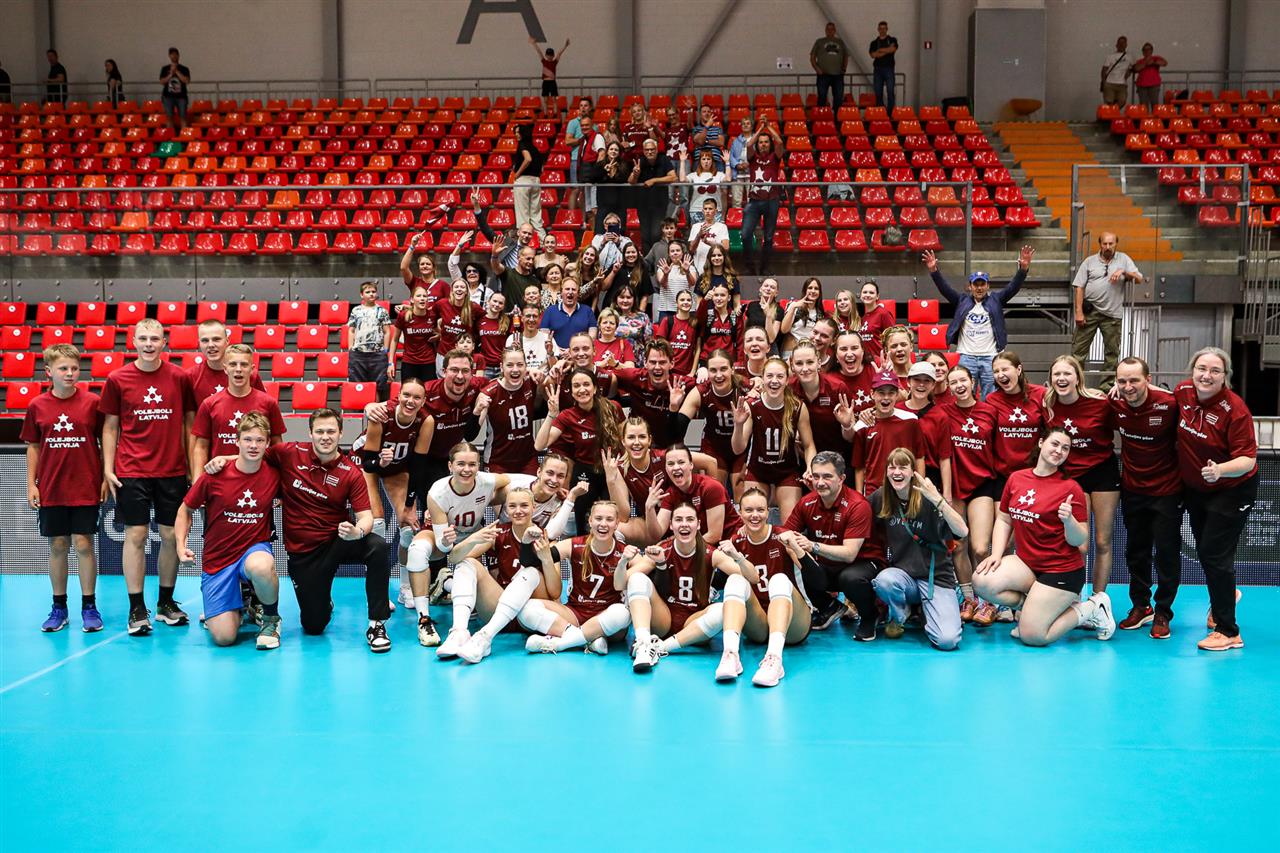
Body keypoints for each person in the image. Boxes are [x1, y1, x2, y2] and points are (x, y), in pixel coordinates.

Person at [224, 408, 391, 652]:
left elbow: (366, 516)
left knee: (378, 546)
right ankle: (323, 603)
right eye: (320, 431)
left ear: (340, 433)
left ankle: (377, 625)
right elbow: (251, 455)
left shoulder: (350, 473)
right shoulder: (289, 453)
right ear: (310, 433)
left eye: (331, 431)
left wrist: (358, 532)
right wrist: (223, 460)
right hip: (304, 553)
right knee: (314, 625)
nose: (326, 437)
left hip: (337, 540)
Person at [974, 426, 1116, 646]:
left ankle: (1091, 608)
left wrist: (1069, 521)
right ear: (1041, 443)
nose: (1059, 451)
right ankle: (1032, 608)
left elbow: (1080, 541)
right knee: (982, 580)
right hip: (1027, 564)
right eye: (1055, 444)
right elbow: (1004, 519)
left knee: (1032, 636)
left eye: (1065, 448)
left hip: (1061, 570)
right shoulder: (1016, 479)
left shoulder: (1071, 488)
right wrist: (997, 554)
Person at [100, 319, 195, 636]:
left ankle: (166, 603)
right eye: (143, 338)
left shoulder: (180, 377)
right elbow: (110, 426)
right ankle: (136, 608)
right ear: (133, 341)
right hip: (132, 470)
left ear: (164, 342)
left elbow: (189, 423)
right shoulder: (117, 379)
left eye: (155, 338)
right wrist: (108, 468)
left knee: (171, 536)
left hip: (172, 470)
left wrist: (191, 465)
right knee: (136, 536)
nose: (149, 344)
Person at [438, 482, 582, 663]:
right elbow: (454, 559)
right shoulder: (499, 533)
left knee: (530, 572)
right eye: (512, 506)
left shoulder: (546, 538)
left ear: (534, 507)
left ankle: (484, 636)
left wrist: (546, 558)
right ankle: (459, 632)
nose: (518, 511)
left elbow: (554, 593)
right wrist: (472, 539)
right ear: (506, 509)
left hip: (531, 614)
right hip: (500, 610)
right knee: (468, 563)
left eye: (524, 505)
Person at [174, 413, 282, 650]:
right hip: (218, 559)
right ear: (237, 441)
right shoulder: (213, 475)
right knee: (224, 638)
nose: (253, 446)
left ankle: (271, 619)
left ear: (267, 444)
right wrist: (180, 546)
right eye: (248, 440)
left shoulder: (275, 474)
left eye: (259, 440)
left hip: (253, 550)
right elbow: (185, 510)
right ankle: (239, 602)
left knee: (262, 566)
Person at [1174, 348, 1257, 652]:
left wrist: (1220, 470)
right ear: (1192, 371)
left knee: (1214, 553)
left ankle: (1228, 631)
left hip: (1232, 489)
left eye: (1215, 371)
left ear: (1225, 377)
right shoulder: (1183, 392)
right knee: (1207, 551)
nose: (1206, 376)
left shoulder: (1235, 410)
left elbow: (1248, 460)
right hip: (1197, 489)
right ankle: (1226, 595)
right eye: (1201, 368)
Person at [24, 344, 104, 633]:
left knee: (84, 544)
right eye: (63, 369)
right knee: (58, 545)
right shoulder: (37, 406)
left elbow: (106, 441)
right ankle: (59, 607)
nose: (70, 373)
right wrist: (31, 484)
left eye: (74, 368)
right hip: (52, 488)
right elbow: (33, 447)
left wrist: (105, 478)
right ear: (48, 372)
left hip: (85, 486)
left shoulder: (93, 403)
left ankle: (89, 606)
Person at [1110, 357, 1182, 638]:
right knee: (1136, 551)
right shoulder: (1115, 403)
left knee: (1166, 552)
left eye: (1134, 380)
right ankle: (1141, 606)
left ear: (1148, 380)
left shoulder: (1170, 404)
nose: (1128, 386)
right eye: (1122, 381)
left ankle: (1163, 611)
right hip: (1132, 489)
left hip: (1167, 491)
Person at [869, 449, 968, 649]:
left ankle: (926, 612)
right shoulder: (881, 497)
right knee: (884, 581)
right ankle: (902, 613)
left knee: (947, 641)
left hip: (935, 578)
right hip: (903, 578)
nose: (897, 472)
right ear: (886, 472)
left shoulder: (927, 497)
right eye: (892, 467)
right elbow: (856, 510)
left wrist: (938, 500)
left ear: (913, 471)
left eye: (903, 467)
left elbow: (962, 531)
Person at [781, 451, 883, 637]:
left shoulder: (857, 505)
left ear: (841, 478)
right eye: (816, 476)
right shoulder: (807, 503)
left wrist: (812, 546)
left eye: (827, 476)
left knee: (850, 578)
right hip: (828, 564)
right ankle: (829, 607)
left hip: (863, 563)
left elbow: (850, 554)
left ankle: (870, 616)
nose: (820, 482)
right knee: (798, 561)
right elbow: (784, 533)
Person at [353, 379, 434, 611]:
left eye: (417, 397)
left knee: (408, 529)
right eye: (406, 395)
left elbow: (418, 465)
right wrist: (380, 461)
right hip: (367, 464)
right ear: (398, 396)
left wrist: (409, 505)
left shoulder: (426, 421)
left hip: (397, 468)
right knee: (377, 524)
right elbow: (369, 463)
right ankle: (377, 590)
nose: (411, 401)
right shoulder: (382, 415)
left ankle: (406, 588)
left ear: (423, 401)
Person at [521, 501, 638, 655]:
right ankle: (588, 640)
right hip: (575, 614)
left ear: (617, 524)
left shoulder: (625, 552)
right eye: (598, 518)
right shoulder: (573, 545)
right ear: (590, 521)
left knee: (623, 613)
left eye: (609, 519)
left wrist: (648, 560)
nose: (603, 524)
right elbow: (530, 561)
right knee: (526, 608)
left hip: (607, 617)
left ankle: (558, 643)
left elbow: (646, 573)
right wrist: (526, 542)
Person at [1043, 355, 1118, 595]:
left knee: (1103, 541)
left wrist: (1121, 387)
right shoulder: (1047, 406)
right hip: (1072, 477)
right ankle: (1073, 598)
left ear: (1078, 378)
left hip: (1103, 473)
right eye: (1057, 374)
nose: (1061, 378)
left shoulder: (1100, 403)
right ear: (1051, 378)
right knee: (1080, 545)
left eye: (1067, 373)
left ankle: (1099, 600)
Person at [923, 246, 1034, 398]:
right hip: (966, 355)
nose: (979, 288)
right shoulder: (961, 300)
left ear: (988, 286)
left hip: (990, 356)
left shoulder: (996, 300)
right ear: (970, 286)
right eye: (976, 284)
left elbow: (1013, 288)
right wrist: (934, 271)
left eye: (983, 284)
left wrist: (1023, 269)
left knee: (990, 394)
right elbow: (944, 289)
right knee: (964, 391)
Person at [939, 364, 1000, 624]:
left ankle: (988, 601)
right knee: (959, 546)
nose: (959, 385)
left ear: (972, 382)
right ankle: (969, 599)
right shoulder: (944, 412)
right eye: (953, 382)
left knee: (980, 547)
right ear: (948, 387)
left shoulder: (990, 411)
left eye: (962, 380)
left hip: (982, 484)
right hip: (955, 487)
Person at [535, 367, 625, 531]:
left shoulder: (613, 407)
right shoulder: (567, 415)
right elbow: (540, 445)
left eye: (586, 384)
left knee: (613, 520)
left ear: (595, 388)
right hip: (585, 473)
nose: (582, 389)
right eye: (576, 386)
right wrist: (551, 414)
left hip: (612, 471)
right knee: (583, 523)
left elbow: (624, 440)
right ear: (571, 391)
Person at [731, 357, 815, 526]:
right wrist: (738, 425)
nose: (774, 381)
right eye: (769, 376)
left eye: (779, 376)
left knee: (791, 528)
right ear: (762, 378)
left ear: (787, 380)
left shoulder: (797, 407)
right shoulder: (752, 405)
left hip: (787, 471)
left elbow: (808, 445)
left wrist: (810, 468)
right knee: (751, 523)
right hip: (758, 470)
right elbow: (738, 449)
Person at [190, 344, 285, 475]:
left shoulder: (268, 403)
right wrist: (197, 481)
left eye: (244, 365)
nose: (238, 369)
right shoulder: (209, 404)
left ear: (252, 369)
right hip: (220, 478)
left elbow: (277, 446)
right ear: (225, 369)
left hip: (259, 477)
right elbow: (201, 447)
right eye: (233, 364)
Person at [1072, 232, 1142, 389]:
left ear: (1116, 244)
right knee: (1078, 351)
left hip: (1112, 314)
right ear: (1100, 244)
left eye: (1111, 243)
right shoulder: (1089, 261)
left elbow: (1138, 278)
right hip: (1090, 311)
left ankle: (1106, 387)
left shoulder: (1124, 259)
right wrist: (1078, 312)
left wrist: (1123, 271)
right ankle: (1075, 385)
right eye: (1105, 243)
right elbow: (1079, 287)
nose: (1108, 247)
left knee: (1112, 353)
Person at [644, 444, 741, 545]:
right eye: (671, 464)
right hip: (701, 544)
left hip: (733, 542)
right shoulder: (670, 493)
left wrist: (676, 546)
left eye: (681, 462)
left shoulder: (711, 487)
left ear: (691, 465)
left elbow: (714, 535)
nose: (676, 467)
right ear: (666, 468)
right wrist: (649, 508)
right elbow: (657, 534)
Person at [847, 368, 924, 495]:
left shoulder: (910, 420)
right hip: (874, 491)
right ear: (872, 394)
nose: (886, 397)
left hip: (906, 488)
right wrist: (860, 495)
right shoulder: (862, 426)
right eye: (881, 393)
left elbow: (919, 456)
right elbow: (859, 466)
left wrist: (920, 488)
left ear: (897, 395)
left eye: (891, 393)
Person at [475, 347, 544, 476]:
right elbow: (472, 433)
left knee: (534, 488)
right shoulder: (490, 393)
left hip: (528, 459)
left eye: (520, 365)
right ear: (501, 367)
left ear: (526, 366)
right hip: (498, 460)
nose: (515, 370)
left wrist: (539, 373)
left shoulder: (532, 382)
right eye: (510, 365)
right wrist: (477, 410)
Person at [187, 319, 265, 405]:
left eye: (216, 339)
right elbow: (190, 412)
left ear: (227, 341)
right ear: (199, 343)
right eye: (205, 340)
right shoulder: (191, 377)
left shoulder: (249, 374)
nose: (211, 345)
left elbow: (263, 406)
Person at [347, 281, 392, 402]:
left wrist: (385, 349)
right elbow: (351, 330)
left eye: (373, 291)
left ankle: (375, 410)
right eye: (368, 292)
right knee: (359, 386)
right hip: (358, 354)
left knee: (377, 386)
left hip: (377, 354)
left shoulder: (382, 311)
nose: (371, 294)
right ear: (361, 295)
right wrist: (350, 347)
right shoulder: (356, 310)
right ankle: (361, 410)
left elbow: (387, 332)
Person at [630, 140, 677, 249]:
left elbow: (673, 177)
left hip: (659, 204)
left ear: (656, 150)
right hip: (643, 204)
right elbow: (631, 181)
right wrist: (635, 174)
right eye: (647, 150)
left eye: (652, 149)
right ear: (643, 151)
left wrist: (654, 180)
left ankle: (657, 257)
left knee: (656, 234)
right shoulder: (640, 161)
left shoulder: (664, 159)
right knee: (645, 235)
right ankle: (647, 259)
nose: (650, 152)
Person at [390, 284, 436, 384]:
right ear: (412, 299)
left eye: (424, 296)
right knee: (409, 390)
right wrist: (390, 363)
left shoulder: (433, 316)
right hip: (409, 361)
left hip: (428, 361)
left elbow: (441, 331)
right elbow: (394, 340)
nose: (422, 298)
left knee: (428, 391)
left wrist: (439, 335)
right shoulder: (403, 316)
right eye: (418, 296)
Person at [511, 122, 548, 243]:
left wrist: (517, 174)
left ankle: (523, 244)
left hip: (523, 181)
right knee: (536, 216)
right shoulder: (535, 148)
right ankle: (543, 241)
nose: (516, 135)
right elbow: (541, 167)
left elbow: (528, 159)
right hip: (536, 181)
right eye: (515, 132)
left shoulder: (522, 145)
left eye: (518, 132)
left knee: (523, 215)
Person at [540, 278, 597, 351]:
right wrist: (558, 351)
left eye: (573, 289)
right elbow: (544, 337)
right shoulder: (550, 311)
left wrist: (573, 351)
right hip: (556, 354)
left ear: (578, 293)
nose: (570, 292)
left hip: (580, 354)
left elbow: (592, 337)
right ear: (561, 292)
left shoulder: (587, 311)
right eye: (567, 289)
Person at [695, 284, 740, 368]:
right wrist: (705, 300)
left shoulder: (735, 317)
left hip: (727, 361)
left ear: (729, 298)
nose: (719, 298)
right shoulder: (707, 314)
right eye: (716, 295)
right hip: (707, 359)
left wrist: (739, 363)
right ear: (712, 297)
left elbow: (740, 343)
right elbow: (698, 318)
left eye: (722, 295)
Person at [491, 240, 541, 312]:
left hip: (528, 316)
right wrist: (494, 256)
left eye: (533, 259)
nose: (531, 262)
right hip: (507, 316)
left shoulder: (535, 281)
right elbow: (496, 266)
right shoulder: (508, 273)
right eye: (528, 259)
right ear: (518, 258)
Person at [781, 277, 826, 358]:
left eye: (816, 288)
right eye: (810, 288)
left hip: (810, 352)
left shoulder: (820, 312)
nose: (813, 291)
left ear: (819, 292)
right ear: (805, 290)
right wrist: (793, 307)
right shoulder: (794, 305)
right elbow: (784, 330)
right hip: (791, 351)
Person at [563, 96, 594, 214]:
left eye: (586, 106)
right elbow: (567, 141)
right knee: (576, 189)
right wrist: (581, 140)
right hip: (576, 160)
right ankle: (571, 217)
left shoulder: (594, 125)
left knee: (586, 191)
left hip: (589, 161)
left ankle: (584, 218)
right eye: (581, 106)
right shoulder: (573, 123)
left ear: (590, 108)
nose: (583, 108)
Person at [683, 149, 728, 228]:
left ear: (712, 161)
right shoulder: (693, 175)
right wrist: (682, 161)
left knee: (713, 234)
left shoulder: (719, 174)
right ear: (700, 161)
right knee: (697, 234)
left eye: (708, 159)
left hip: (715, 211)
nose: (706, 161)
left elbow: (728, 179)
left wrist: (727, 162)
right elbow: (682, 179)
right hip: (696, 210)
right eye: (703, 159)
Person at [594, 144, 632, 232]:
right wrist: (604, 171)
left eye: (616, 150)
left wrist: (614, 174)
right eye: (611, 149)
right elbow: (592, 178)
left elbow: (626, 179)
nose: (613, 151)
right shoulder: (600, 165)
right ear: (607, 151)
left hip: (619, 206)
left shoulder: (624, 165)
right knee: (600, 232)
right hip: (603, 205)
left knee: (618, 234)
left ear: (619, 153)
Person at [654, 243, 695, 324]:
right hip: (667, 309)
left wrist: (687, 271)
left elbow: (692, 283)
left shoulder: (691, 267)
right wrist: (666, 274)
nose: (675, 253)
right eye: (672, 251)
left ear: (682, 253)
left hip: (687, 308)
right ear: (669, 254)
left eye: (678, 250)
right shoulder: (663, 268)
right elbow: (663, 284)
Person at [810, 22, 849, 109]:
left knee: (838, 98)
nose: (830, 31)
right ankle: (821, 116)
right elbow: (812, 57)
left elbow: (846, 56)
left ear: (835, 31)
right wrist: (817, 69)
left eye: (832, 29)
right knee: (822, 97)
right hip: (823, 75)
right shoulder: (819, 41)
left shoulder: (840, 42)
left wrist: (844, 69)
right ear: (825, 30)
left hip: (838, 75)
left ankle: (837, 117)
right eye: (828, 29)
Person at [857, 280, 895, 365]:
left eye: (871, 293)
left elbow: (893, 339)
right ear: (861, 295)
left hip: (881, 362)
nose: (867, 295)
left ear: (877, 296)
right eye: (865, 292)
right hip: (865, 363)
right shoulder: (862, 317)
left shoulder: (883, 314)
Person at [507, 304, 554, 373]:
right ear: (522, 318)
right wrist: (515, 353)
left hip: (543, 378)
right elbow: (508, 368)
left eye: (535, 316)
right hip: (522, 377)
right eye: (528, 316)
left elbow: (555, 368)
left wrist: (550, 353)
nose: (531, 319)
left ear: (539, 319)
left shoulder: (547, 338)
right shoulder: (513, 339)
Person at [474, 291, 511, 378]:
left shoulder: (508, 321)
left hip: (502, 366)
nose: (497, 304)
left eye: (500, 303)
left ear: (503, 306)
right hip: (485, 366)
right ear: (488, 301)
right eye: (495, 301)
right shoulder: (479, 321)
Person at [531, 36, 569, 116]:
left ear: (553, 55)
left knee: (554, 99)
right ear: (546, 55)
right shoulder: (544, 61)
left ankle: (555, 113)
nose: (549, 56)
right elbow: (539, 52)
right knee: (545, 100)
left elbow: (559, 54)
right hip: (545, 82)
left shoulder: (554, 62)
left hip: (552, 82)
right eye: (548, 55)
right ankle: (545, 114)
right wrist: (534, 44)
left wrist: (565, 46)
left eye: (551, 55)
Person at [743, 278, 783, 352]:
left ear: (776, 293)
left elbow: (771, 339)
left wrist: (768, 315)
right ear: (760, 289)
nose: (768, 289)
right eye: (766, 286)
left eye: (772, 287)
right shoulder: (752, 305)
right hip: (752, 346)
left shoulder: (779, 309)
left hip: (769, 349)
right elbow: (745, 329)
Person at [612, 284, 652, 352]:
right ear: (616, 299)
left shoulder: (643, 317)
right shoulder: (609, 316)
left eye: (628, 297)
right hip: (614, 356)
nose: (625, 300)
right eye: (622, 297)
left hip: (637, 357)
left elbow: (649, 343)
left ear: (634, 299)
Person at [869, 21, 898, 110]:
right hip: (878, 69)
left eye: (884, 28)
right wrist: (887, 50)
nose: (882, 30)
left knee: (890, 91)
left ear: (887, 29)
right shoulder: (874, 43)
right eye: (880, 28)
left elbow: (893, 49)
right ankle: (881, 111)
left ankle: (890, 112)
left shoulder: (892, 39)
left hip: (889, 69)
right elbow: (873, 55)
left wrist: (880, 50)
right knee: (878, 92)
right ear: (878, 29)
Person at [158, 47, 190, 128]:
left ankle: (184, 134)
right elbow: (162, 81)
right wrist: (171, 74)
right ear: (169, 56)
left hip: (181, 97)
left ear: (178, 56)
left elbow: (186, 81)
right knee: (169, 117)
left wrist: (176, 71)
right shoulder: (165, 69)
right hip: (168, 97)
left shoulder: (184, 69)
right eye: (172, 54)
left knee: (183, 117)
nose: (174, 56)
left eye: (176, 54)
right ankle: (170, 133)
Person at [1129, 43, 1167, 110]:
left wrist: (1154, 62)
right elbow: (1136, 68)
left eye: (1148, 49)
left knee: (1155, 104)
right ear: (1143, 52)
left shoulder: (1156, 58)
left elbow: (1164, 63)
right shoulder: (1139, 61)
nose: (1146, 51)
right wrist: (1146, 63)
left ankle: (1155, 117)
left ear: (1151, 51)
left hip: (1154, 85)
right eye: (1145, 50)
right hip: (1142, 86)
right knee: (1143, 106)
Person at [691, 104, 727, 173]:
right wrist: (707, 126)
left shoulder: (718, 129)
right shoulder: (696, 129)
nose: (707, 113)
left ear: (711, 114)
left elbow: (721, 142)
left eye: (708, 112)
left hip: (716, 160)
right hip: (699, 160)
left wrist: (706, 140)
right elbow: (700, 141)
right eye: (704, 112)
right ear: (700, 115)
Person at [1100, 36, 1130, 106]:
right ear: (1116, 45)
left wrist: (1129, 73)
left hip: (1122, 84)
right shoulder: (1110, 56)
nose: (1121, 45)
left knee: (1122, 101)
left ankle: (1115, 111)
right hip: (1110, 83)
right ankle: (1111, 112)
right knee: (1109, 102)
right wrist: (1104, 82)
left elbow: (1133, 67)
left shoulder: (1130, 57)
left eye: (1123, 43)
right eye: (1120, 43)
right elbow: (1104, 70)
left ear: (1126, 45)